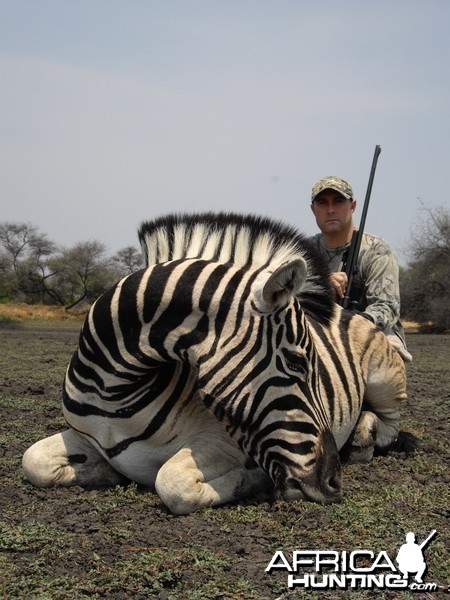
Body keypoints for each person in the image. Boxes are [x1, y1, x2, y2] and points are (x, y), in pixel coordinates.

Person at [309, 175, 412, 362]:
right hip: (318, 331)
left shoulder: (377, 251)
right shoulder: (303, 251)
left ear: (353, 206)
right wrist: (321, 284)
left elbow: (386, 308)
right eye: (323, 203)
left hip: (371, 333)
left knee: (385, 373)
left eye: (338, 201)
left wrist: (347, 324)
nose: (330, 210)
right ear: (313, 209)